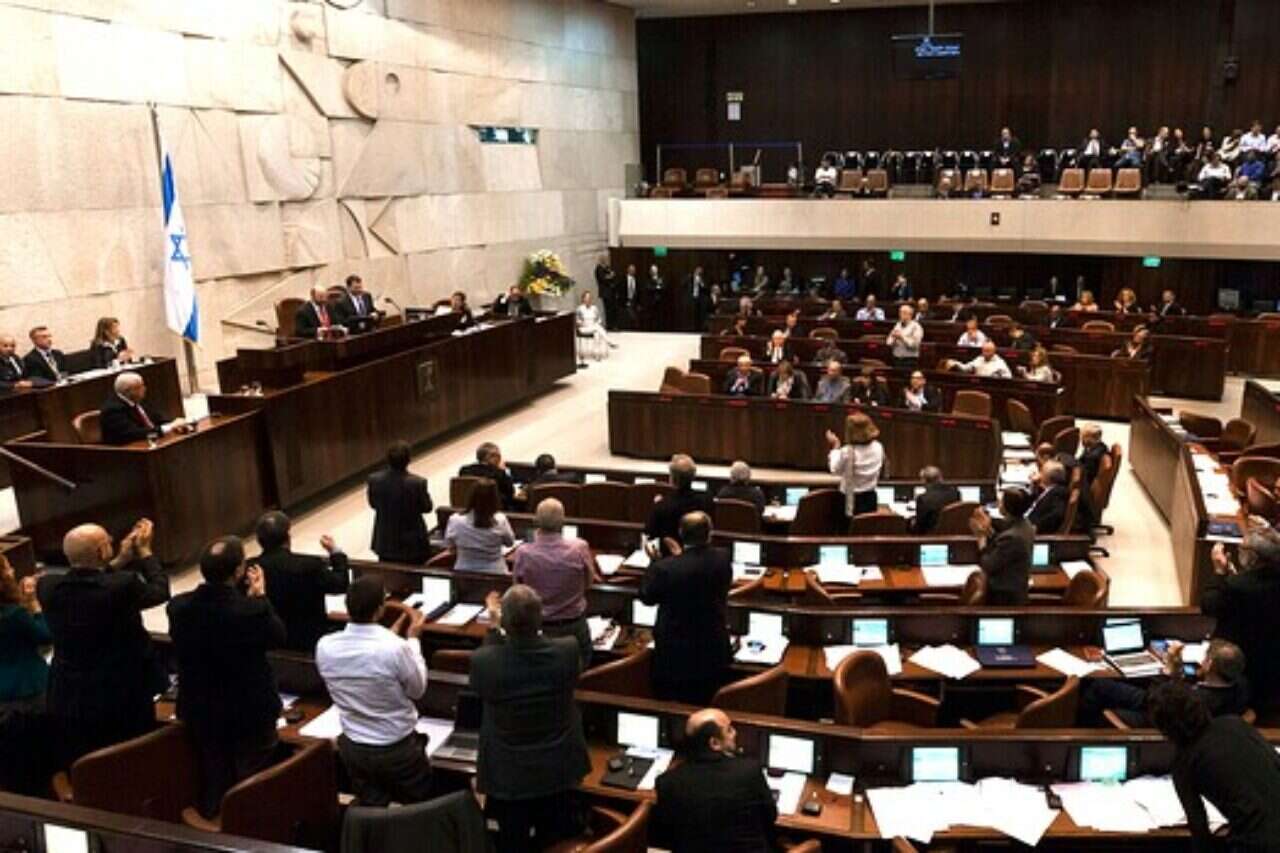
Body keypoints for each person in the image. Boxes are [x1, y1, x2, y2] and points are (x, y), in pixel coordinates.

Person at [168, 536, 286, 818]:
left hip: (200, 710)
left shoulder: (178, 607)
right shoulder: (252, 610)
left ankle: (215, 821)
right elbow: (277, 637)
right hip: (249, 713)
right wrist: (260, 597)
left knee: (215, 775)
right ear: (238, 571)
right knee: (253, 782)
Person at [38, 520, 169, 766]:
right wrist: (145, 552)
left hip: (73, 691)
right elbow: (159, 591)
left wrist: (118, 560)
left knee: (92, 755)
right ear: (101, 551)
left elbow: (91, 583)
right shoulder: (124, 585)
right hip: (123, 688)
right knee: (134, 753)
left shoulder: (47, 586)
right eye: (108, 540)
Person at [471, 585, 590, 853]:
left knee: (513, 841)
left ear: (505, 622)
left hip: (508, 774)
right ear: (541, 618)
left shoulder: (484, 661)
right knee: (555, 840)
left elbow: (483, 683)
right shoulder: (567, 651)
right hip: (558, 767)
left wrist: (493, 629)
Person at [316, 575, 432, 808]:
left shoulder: (325, 645)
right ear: (380, 610)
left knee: (372, 809)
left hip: (353, 746)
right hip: (397, 748)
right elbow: (417, 689)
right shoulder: (395, 648)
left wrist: (392, 639)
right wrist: (413, 642)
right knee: (417, 810)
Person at [1148, 680, 1280, 853]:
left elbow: (1200, 831)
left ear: (1165, 728)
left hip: (1257, 843)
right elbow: (1275, 761)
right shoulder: (1235, 723)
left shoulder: (1184, 763)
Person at [651, 708, 778, 853]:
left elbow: (667, 833)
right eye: (729, 730)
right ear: (715, 743)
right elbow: (770, 816)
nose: (735, 732)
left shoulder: (666, 782)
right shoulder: (749, 771)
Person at [640, 512, 731, 704]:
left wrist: (654, 563)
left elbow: (647, 597)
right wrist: (678, 558)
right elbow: (694, 570)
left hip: (674, 653)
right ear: (710, 533)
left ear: (680, 533)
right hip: (712, 648)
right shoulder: (722, 559)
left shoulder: (665, 569)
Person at [1078, 639, 1249, 728]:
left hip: (1155, 717)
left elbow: (1156, 700)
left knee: (1099, 687)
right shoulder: (1240, 688)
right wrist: (1179, 673)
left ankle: (1081, 730)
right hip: (1170, 708)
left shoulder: (1195, 700)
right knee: (1109, 686)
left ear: (1209, 664)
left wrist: (1168, 669)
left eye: (1205, 658)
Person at [1203, 526, 1280, 706]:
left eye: (1242, 548)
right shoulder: (1242, 584)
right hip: (1272, 669)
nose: (1239, 550)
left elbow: (1209, 605)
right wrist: (1237, 577)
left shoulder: (1236, 586)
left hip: (1236, 669)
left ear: (1253, 556)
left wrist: (1219, 572)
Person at [513, 499, 594, 666]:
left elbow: (518, 591)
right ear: (563, 522)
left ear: (536, 521)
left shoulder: (523, 553)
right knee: (579, 672)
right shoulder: (579, 548)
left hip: (538, 627)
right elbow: (589, 583)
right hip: (574, 626)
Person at [253, 511, 349, 652]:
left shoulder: (251, 570)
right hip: (310, 642)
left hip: (269, 644)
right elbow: (340, 584)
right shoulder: (309, 565)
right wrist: (336, 553)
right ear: (288, 538)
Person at [367, 440, 434, 565]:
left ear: (387, 459)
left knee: (388, 574)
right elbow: (427, 508)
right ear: (409, 460)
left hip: (385, 541)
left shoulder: (374, 480)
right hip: (413, 545)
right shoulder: (417, 483)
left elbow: (373, 504)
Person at [0, 555, 50, 711]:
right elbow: (45, 636)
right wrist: (34, 604)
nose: (12, 570)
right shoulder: (13, 614)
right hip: (26, 686)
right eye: (8, 567)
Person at [973, 488, 1033, 604]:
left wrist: (981, 538)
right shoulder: (1026, 525)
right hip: (1016, 589)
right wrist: (989, 529)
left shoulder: (1012, 538)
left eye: (1001, 502)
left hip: (1004, 596)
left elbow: (988, 565)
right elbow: (1002, 543)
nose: (998, 504)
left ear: (1007, 507)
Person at [99, 372, 191, 446]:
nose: (144, 389)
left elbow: (157, 419)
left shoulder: (136, 400)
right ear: (129, 391)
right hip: (127, 453)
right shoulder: (112, 410)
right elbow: (134, 433)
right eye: (140, 386)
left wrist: (175, 425)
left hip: (148, 444)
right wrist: (169, 427)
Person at [444, 480, 515, 574]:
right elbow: (510, 543)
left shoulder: (455, 520)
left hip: (463, 572)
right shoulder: (500, 520)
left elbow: (450, 546)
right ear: (495, 499)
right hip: (495, 573)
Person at [645, 454, 715, 547]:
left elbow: (649, 534)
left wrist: (658, 506)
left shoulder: (662, 506)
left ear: (672, 479)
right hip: (700, 552)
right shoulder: (707, 500)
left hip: (668, 554)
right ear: (693, 476)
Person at [826, 413, 885, 517]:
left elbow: (834, 469)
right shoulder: (878, 447)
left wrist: (835, 447)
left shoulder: (847, 451)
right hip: (870, 498)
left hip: (849, 501)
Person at [459, 441, 517, 509]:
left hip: (468, 507)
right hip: (493, 509)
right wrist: (504, 471)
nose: (499, 459)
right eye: (497, 456)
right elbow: (510, 493)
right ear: (491, 457)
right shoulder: (498, 473)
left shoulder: (464, 470)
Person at [911, 466, 961, 534]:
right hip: (952, 534)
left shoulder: (923, 499)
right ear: (941, 478)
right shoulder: (955, 494)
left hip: (931, 536)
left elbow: (920, 527)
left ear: (923, 480)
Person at [1026, 460, 1069, 534]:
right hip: (1026, 522)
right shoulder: (1049, 488)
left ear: (1048, 476)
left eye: (1041, 471)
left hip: (1033, 530)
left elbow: (1057, 514)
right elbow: (1033, 502)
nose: (1039, 474)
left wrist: (1036, 526)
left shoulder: (1058, 492)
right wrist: (1034, 485)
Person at [594, 255, 618, 329]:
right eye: (604, 259)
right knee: (608, 310)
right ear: (601, 260)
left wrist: (611, 276)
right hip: (605, 293)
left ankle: (613, 325)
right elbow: (603, 279)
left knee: (612, 309)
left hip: (611, 292)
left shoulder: (607, 268)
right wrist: (610, 276)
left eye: (606, 259)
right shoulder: (598, 268)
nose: (605, 261)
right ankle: (609, 326)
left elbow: (613, 276)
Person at [686, 266, 711, 331]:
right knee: (693, 315)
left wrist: (701, 282)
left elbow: (706, 289)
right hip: (692, 299)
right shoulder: (690, 278)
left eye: (700, 272)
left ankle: (701, 328)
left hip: (701, 299)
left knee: (701, 314)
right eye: (697, 272)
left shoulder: (704, 279)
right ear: (695, 272)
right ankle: (693, 328)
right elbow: (684, 285)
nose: (699, 273)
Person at [620, 264, 641, 329]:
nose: (632, 271)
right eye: (631, 270)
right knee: (629, 316)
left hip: (634, 301)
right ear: (628, 270)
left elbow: (639, 292)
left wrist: (639, 303)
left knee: (635, 316)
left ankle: (635, 328)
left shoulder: (637, 280)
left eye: (634, 270)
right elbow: (621, 291)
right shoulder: (623, 279)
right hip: (625, 300)